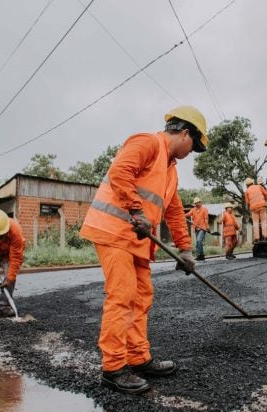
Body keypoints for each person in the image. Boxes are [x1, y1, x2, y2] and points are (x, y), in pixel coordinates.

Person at [79, 105, 208, 395]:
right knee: (122, 296)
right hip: (114, 231)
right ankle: (113, 368)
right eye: (194, 146)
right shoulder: (147, 141)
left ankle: (138, 358)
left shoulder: (170, 170)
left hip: (136, 239)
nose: (191, 152)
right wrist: (135, 209)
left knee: (141, 297)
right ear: (185, 133)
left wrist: (186, 249)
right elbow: (120, 171)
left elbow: (174, 211)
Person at [244, 177, 267, 242]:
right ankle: (265, 236)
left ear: (247, 185)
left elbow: (247, 202)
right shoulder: (258, 186)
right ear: (252, 182)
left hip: (254, 208)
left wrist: (251, 208)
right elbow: (266, 194)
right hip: (262, 206)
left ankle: (257, 238)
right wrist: (265, 201)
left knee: (255, 223)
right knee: (263, 221)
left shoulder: (247, 191)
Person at [185, 196, 209, 261]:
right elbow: (188, 214)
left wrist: (207, 227)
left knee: (199, 240)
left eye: (197, 203)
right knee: (198, 242)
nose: (196, 204)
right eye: (195, 203)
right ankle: (201, 255)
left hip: (203, 228)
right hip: (196, 228)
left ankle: (200, 255)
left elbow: (206, 218)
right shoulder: (193, 209)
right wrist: (182, 215)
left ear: (200, 202)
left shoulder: (204, 209)